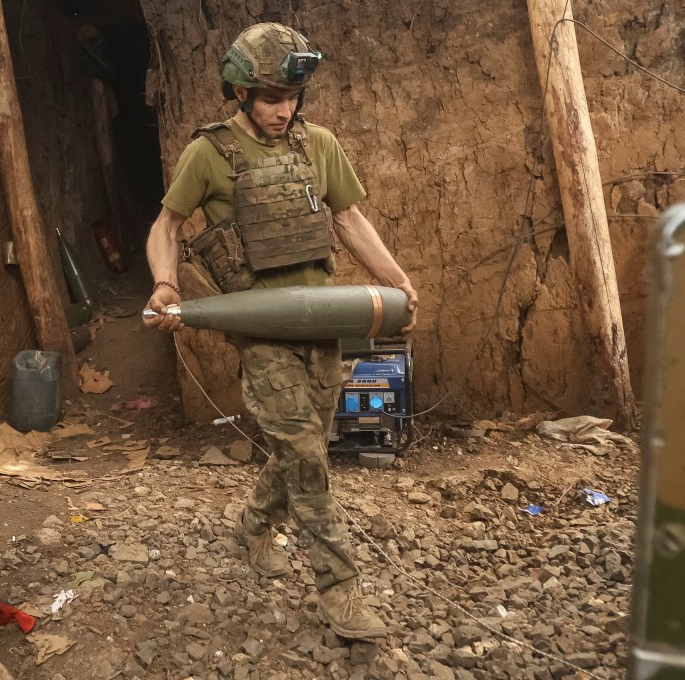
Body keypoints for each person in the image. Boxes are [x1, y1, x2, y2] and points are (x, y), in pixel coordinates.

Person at [142, 23, 417, 640]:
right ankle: (341, 594)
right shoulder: (209, 153)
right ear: (239, 93)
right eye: (269, 98)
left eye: (291, 98)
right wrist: (165, 285)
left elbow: (349, 218)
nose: (282, 110)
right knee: (304, 453)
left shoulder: (317, 143)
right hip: (259, 326)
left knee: (309, 442)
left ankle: (254, 525)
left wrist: (399, 283)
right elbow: (167, 225)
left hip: (323, 319)